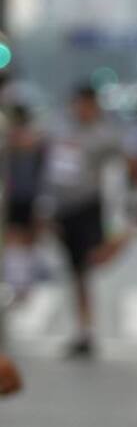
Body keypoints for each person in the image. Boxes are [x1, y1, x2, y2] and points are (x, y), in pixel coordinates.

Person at [43, 85, 137, 358]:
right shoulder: (58, 129)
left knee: (89, 261)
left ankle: (85, 327)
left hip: (89, 205)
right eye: (78, 104)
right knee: (77, 270)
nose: (82, 110)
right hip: (61, 207)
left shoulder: (106, 133)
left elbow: (132, 162)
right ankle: (84, 329)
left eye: (87, 105)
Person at [3, 104, 48, 302]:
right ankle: (16, 282)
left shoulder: (37, 140)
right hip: (13, 194)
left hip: (31, 194)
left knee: (28, 237)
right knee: (13, 237)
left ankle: (24, 282)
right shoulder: (9, 140)